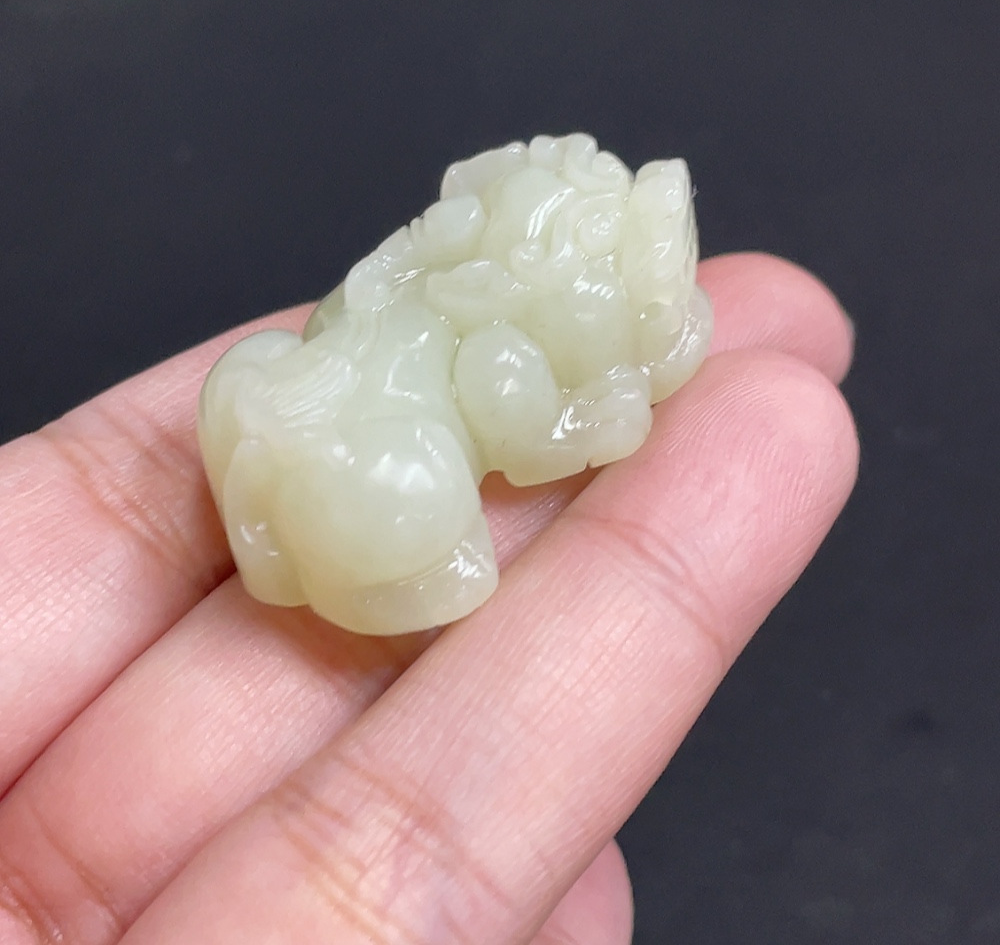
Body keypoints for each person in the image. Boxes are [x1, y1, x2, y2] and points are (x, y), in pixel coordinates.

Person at [0, 252, 857, 945]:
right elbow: (528, 440)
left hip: (288, 430)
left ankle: (321, 545)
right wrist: (601, 416)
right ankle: (362, 555)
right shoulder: (496, 343)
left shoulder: (406, 284)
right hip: (366, 485)